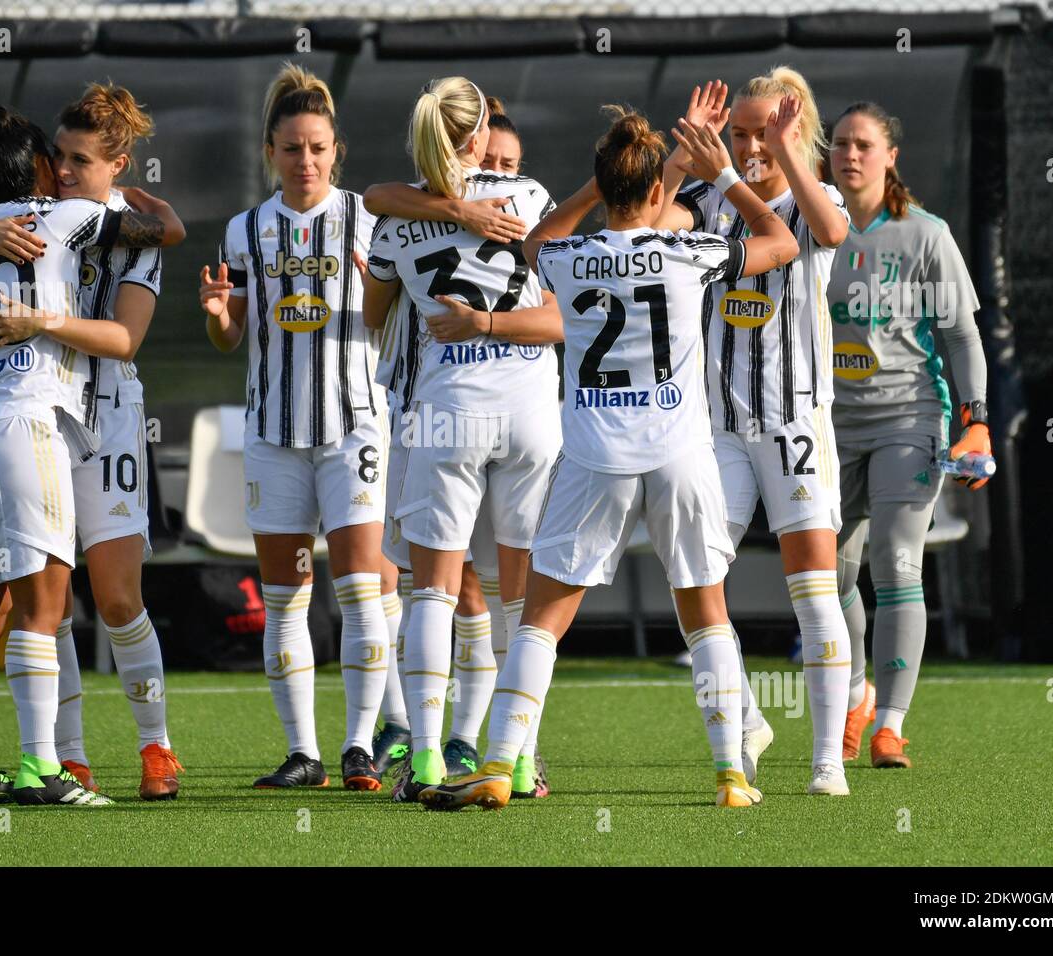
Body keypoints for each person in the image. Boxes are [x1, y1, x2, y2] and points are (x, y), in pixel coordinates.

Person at [419, 106, 799, 811]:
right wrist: (721, 175)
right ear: (660, 191)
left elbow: (536, 240)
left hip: (595, 455)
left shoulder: (568, 257)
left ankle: (500, 765)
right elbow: (780, 240)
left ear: (602, 185)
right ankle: (731, 777)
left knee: (541, 618)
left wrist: (595, 191)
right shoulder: (693, 253)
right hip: (679, 456)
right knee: (706, 611)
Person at [0, 84, 186, 801]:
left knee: (117, 597)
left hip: (106, 417)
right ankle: (64, 758)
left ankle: (155, 746)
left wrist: (41, 320)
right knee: (49, 602)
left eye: (78, 160)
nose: (63, 171)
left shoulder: (119, 227)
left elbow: (125, 338)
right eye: (56, 157)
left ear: (117, 163)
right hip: (37, 421)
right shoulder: (32, 215)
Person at [362, 75, 563, 801]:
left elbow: (372, 311)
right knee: (520, 596)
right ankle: (518, 759)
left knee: (433, 594)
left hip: (446, 406)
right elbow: (562, 309)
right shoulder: (530, 197)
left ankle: (422, 765)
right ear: (482, 133)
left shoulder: (391, 223)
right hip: (532, 405)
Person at [666, 70, 854, 796]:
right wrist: (688, 149)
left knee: (813, 590)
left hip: (794, 419)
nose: (747, 146)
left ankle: (827, 763)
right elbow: (646, 216)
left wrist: (782, 155)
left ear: (794, 129)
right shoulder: (705, 195)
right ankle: (744, 717)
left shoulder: (814, 195)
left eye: (762, 132)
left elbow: (834, 232)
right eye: (737, 132)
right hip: (717, 425)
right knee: (698, 576)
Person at [203, 63, 389, 791]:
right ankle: (303, 753)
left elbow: (386, 319)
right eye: (291, 148)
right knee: (285, 596)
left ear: (335, 149)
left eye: (316, 147)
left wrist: (374, 286)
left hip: (354, 431)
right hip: (274, 434)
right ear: (269, 152)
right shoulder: (244, 230)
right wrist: (222, 319)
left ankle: (359, 747)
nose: (304, 160)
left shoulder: (367, 218)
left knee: (360, 590)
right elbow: (232, 336)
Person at [827, 101, 991, 768]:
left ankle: (890, 723)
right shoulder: (807, 227)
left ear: (890, 155)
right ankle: (856, 691)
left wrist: (974, 422)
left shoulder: (925, 234)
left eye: (864, 144)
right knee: (827, 578)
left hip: (908, 419)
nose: (851, 154)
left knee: (896, 564)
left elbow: (961, 335)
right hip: (824, 426)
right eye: (840, 143)